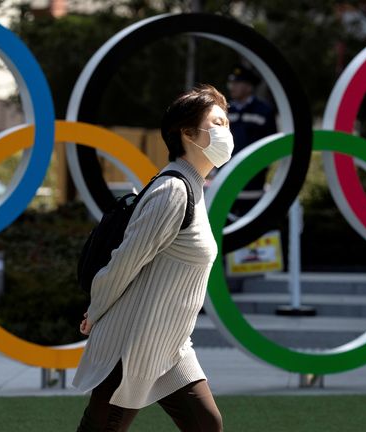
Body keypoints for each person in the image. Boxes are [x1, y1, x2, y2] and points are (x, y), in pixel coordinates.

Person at [72, 84, 230, 432]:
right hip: (133, 343)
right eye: (217, 123)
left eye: (227, 123)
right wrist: (95, 311)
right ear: (187, 133)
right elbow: (124, 262)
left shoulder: (195, 189)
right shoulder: (173, 191)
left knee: (207, 425)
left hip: (170, 344)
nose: (226, 133)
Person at [223, 65, 277, 217]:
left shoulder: (264, 111)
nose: (232, 87)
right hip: (225, 185)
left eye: (237, 83)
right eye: (231, 83)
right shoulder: (224, 111)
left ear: (248, 87)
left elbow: (271, 148)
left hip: (252, 186)